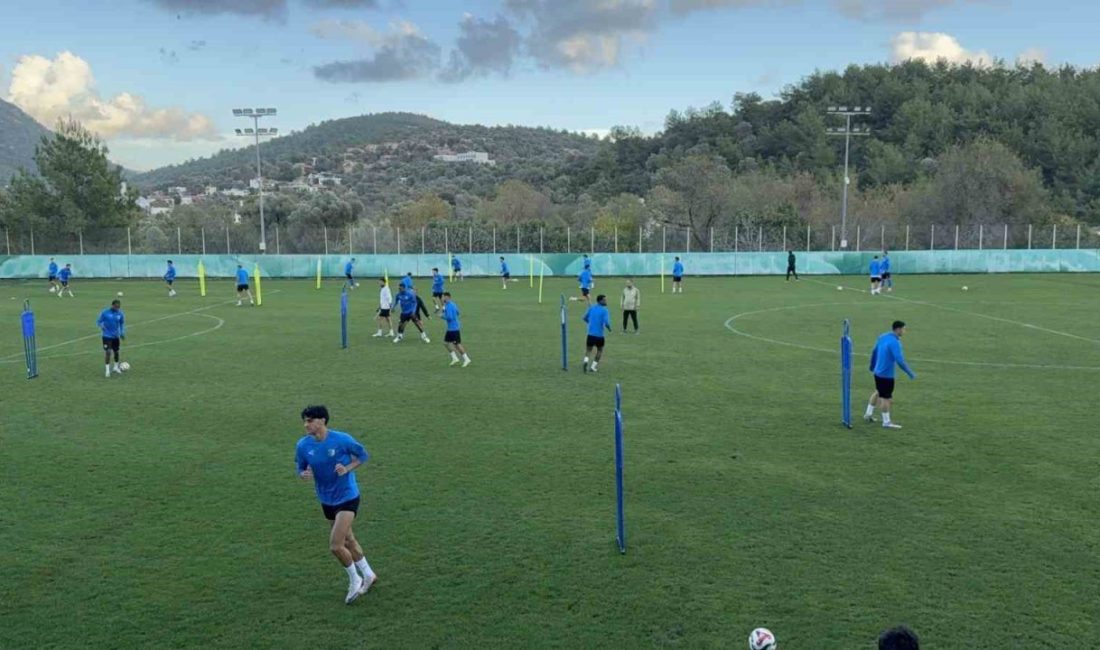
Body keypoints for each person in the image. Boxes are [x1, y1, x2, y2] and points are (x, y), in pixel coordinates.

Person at [294, 405, 376, 604]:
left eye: (310, 421)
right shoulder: (303, 445)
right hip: (326, 499)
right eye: (305, 421)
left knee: (335, 546)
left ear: (322, 421)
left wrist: (347, 468)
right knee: (348, 540)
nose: (306, 425)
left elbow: (362, 455)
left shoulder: (341, 439)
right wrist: (303, 473)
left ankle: (354, 580)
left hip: (347, 497)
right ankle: (368, 574)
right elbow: (300, 465)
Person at [864, 320, 916, 429]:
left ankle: (868, 414)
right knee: (886, 398)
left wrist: (872, 365)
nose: (905, 331)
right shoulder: (895, 342)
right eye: (904, 329)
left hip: (877, 372)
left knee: (878, 392)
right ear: (898, 329)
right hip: (886, 374)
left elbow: (875, 351)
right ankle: (886, 422)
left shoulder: (883, 336)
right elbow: (900, 361)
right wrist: (910, 373)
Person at [582, 294, 612, 373]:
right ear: (600, 301)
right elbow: (606, 322)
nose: (606, 301)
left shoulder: (591, 308)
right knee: (600, 350)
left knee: (588, 350)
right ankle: (593, 367)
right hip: (599, 335)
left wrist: (590, 323)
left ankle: (585, 361)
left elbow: (584, 318)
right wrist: (609, 328)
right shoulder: (605, 310)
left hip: (591, 334)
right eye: (604, 300)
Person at [96, 299, 125, 378]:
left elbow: (122, 323)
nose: (117, 308)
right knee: (108, 352)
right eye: (116, 307)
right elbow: (98, 321)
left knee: (116, 352)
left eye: (118, 307)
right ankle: (107, 370)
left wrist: (122, 332)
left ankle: (116, 367)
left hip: (115, 336)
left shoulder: (120, 314)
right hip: (106, 336)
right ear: (112, 305)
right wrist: (101, 325)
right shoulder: (105, 312)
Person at [441, 292, 471, 367]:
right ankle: (454, 358)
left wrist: (442, 316)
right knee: (446, 343)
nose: (443, 298)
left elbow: (450, 318)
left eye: (444, 297)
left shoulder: (449, 306)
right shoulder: (452, 304)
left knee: (457, 344)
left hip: (453, 329)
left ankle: (466, 359)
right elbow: (458, 312)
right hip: (451, 329)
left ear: (447, 297)